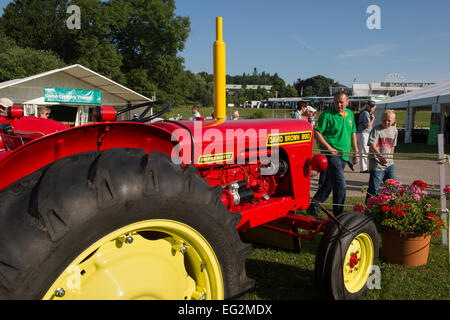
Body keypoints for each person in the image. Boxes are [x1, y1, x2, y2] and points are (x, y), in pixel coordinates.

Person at [307, 91, 359, 217]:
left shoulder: (350, 114)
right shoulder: (326, 115)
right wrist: (329, 148)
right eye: (336, 102)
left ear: (347, 102)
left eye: (341, 102)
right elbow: (317, 133)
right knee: (340, 184)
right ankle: (339, 214)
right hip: (331, 155)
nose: (338, 104)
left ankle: (313, 206)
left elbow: (353, 133)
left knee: (329, 184)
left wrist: (356, 151)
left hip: (344, 156)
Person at [365, 110, 398, 205]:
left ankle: (391, 206)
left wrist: (391, 158)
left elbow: (393, 146)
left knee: (394, 187)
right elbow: (372, 144)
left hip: (389, 164)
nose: (386, 122)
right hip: (377, 164)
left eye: (389, 120)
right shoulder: (376, 129)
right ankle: (369, 208)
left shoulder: (394, 130)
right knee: (374, 188)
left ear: (393, 120)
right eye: (384, 120)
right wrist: (379, 156)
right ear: (381, 119)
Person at [356, 101, 376, 173]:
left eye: (373, 106)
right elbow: (367, 125)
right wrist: (373, 119)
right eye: (370, 106)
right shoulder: (365, 113)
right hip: (363, 133)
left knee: (362, 151)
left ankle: (353, 162)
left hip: (363, 133)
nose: (372, 107)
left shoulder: (366, 113)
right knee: (364, 151)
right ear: (367, 106)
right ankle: (363, 168)